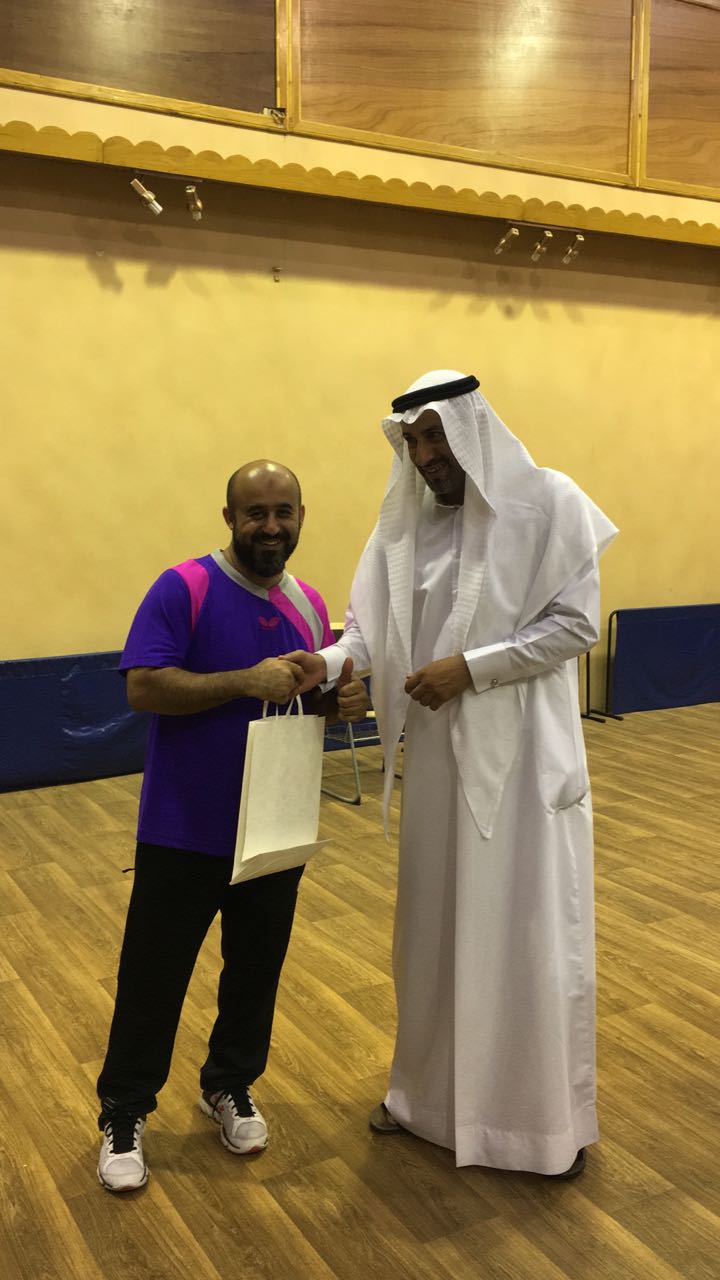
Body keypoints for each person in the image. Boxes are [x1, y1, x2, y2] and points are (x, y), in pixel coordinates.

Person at [283, 371, 618, 1178]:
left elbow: (575, 625)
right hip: (437, 766)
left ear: (473, 430)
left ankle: (537, 1128)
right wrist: (327, 661)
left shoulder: (548, 503)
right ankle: (426, 1102)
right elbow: (368, 631)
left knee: (523, 933)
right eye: (413, 441)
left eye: (437, 436)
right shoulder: (404, 528)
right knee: (433, 934)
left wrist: (471, 668)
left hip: (524, 767)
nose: (426, 455)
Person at [96, 460, 368, 1192]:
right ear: (230, 519)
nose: (270, 527)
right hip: (183, 827)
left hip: (274, 827)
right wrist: (244, 680)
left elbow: (302, 700)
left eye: (283, 512)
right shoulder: (182, 587)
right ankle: (125, 1110)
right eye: (256, 513)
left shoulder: (309, 604)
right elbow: (144, 686)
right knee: (153, 978)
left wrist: (337, 705)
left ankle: (229, 1083)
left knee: (255, 971)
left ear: (301, 516)